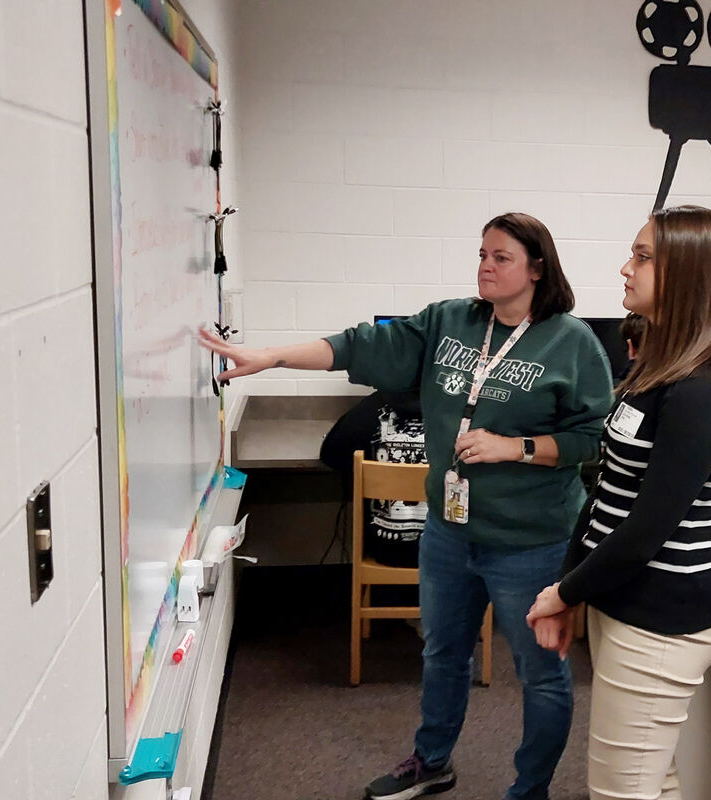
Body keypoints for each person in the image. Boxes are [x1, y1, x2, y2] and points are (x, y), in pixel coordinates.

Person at [201, 212, 613, 800]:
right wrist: (270, 356)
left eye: (501, 257)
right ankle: (432, 762)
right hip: (450, 530)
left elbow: (592, 438)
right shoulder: (451, 321)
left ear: (537, 268)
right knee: (444, 653)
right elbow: (358, 347)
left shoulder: (571, 343)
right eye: (481, 254)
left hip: (531, 540)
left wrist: (513, 448)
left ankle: (531, 789)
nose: (485, 267)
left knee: (541, 674)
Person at [524, 205, 711, 800]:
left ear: (687, 275)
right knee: (650, 784)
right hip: (624, 601)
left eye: (643, 256)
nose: (625, 268)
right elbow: (607, 493)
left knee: (619, 791)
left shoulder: (707, 389)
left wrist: (563, 593)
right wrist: (573, 586)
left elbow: (647, 528)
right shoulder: (657, 369)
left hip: (661, 618)